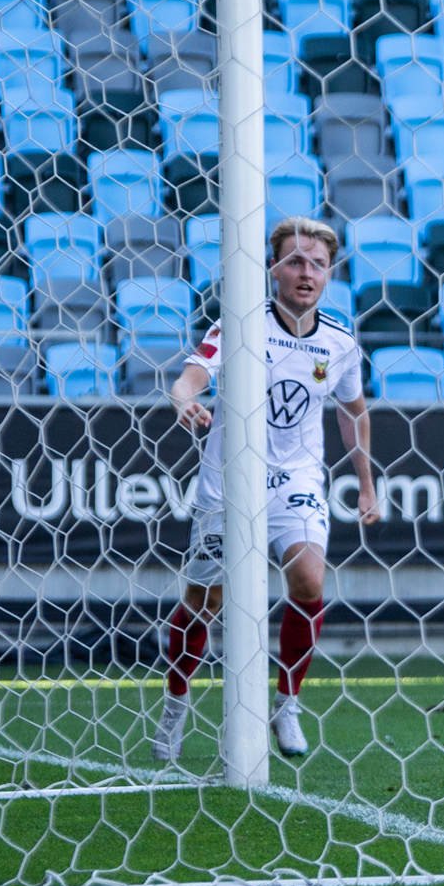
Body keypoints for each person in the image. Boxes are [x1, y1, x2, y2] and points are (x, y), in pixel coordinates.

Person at [153, 216, 381, 764]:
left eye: (318, 264)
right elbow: (190, 377)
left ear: (330, 274)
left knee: (308, 579)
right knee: (205, 603)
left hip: (297, 480)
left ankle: (287, 703)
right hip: (229, 481)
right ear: (274, 268)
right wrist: (184, 400)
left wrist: (367, 483)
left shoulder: (339, 342)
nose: (306, 273)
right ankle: (176, 702)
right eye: (295, 261)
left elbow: (354, 412)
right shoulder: (240, 325)